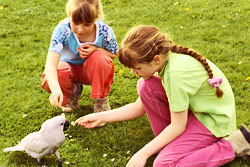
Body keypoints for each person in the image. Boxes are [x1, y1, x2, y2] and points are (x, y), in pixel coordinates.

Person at [75, 25, 250, 166]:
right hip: (195, 113)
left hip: (213, 121)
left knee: (164, 164)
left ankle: (232, 145)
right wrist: (100, 117)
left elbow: (177, 126)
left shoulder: (175, 74)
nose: (132, 71)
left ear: (156, 59)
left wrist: (143, 153)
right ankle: (168, 144)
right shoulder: (166, 62)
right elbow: (139, 107)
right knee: (146, 86)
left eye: (137, 67)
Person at [41, 0, 118, 113]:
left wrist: (96, 49)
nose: (80, 29)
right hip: (68, 70)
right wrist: (56, 90)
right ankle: (73, 91)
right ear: (69, 16)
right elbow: (51, 64)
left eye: (87, 24)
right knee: (56, 71)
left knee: (100, 58)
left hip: (90, 72)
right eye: (76, 23)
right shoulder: (62, 30)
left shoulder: (105, 32)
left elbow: (114, 54)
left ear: (96, 18)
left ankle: (101, 100)